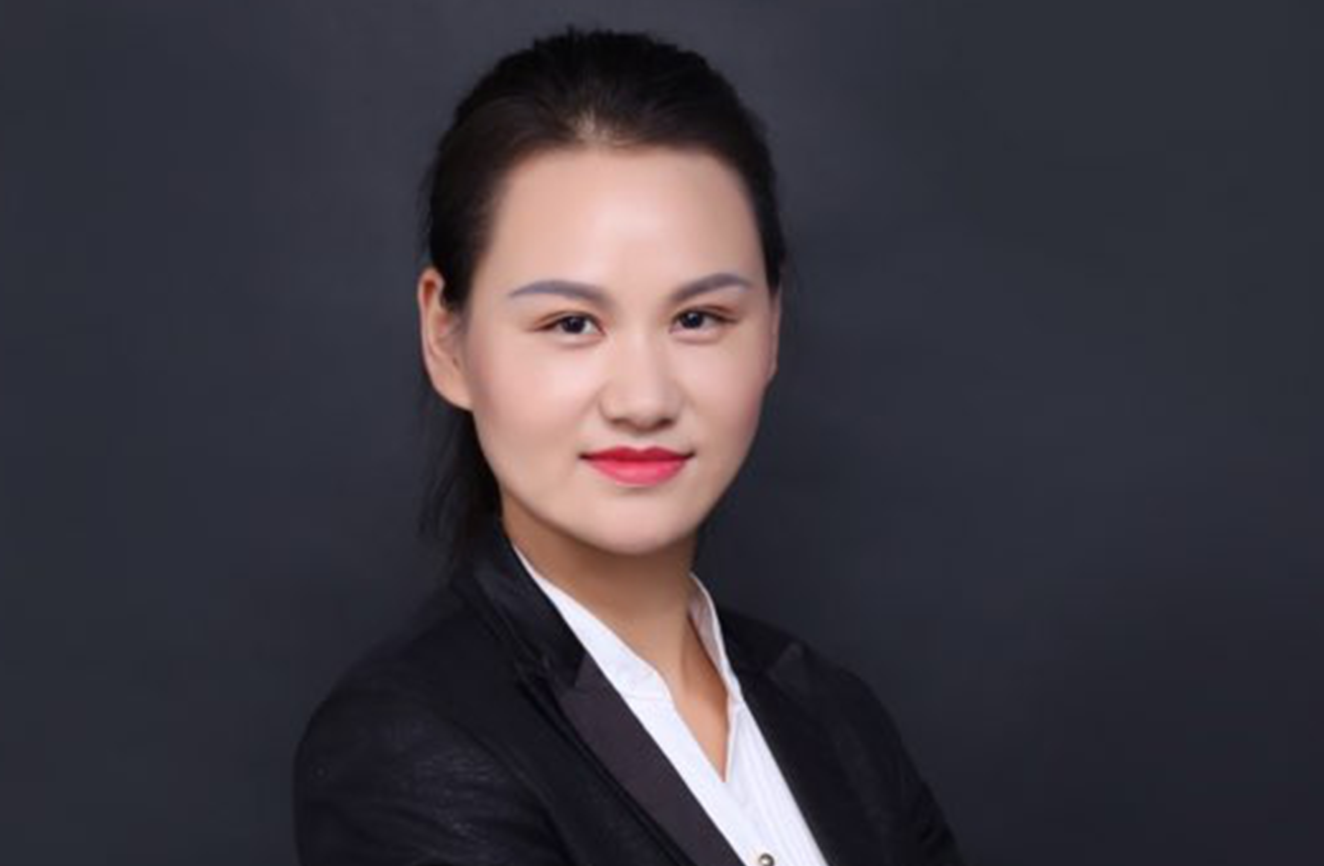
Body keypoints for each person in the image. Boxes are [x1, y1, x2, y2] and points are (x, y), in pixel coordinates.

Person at [293, 25, 966, 866]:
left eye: (699, 319)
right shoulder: (407, 749)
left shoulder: (835, 719)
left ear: (771, 328)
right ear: (448, 339)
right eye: (571, 323)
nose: (643, 400)